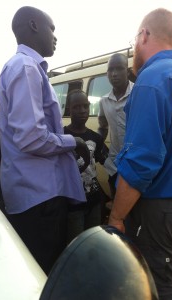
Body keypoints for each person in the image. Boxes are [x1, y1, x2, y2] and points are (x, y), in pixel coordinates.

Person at [0, 6, 90, 275]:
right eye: (52, 28)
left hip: (35, 197)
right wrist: (74, 142)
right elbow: (32, 137)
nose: (55, 36)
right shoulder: (26, 67)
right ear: (34, 25)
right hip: (39, 200)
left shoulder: (25, 68)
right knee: (45, 273)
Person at [108, 8, 172, 299]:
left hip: (161, 208)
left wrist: (116, 216)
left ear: (144, 35)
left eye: (135, 38)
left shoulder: (152, 80)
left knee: (162, 285)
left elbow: (141, 163)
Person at [64, 90, 107, 243]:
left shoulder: (95, 138)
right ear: (69, 109)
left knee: (92, 241)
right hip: (73, 202)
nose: (82, 111)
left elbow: (105, 160)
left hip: (94, 199)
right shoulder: (62, 137)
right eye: (76, 107)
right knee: (76, 243)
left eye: (85, 106)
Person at [98, 53, 134, 199]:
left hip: (136, 162)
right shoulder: (104, 101)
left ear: (128, 71)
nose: (114, 74)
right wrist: (96, 143)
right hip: (115, 163)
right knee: (116, 202)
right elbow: (102, 126)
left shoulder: (139, 93)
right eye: (110, 70)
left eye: (119, 69)